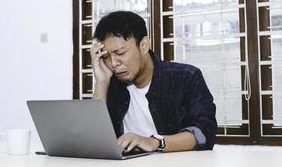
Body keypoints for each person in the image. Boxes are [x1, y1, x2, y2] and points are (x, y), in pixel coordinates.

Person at [90, 11, 217, 153]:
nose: (113, 63)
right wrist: (101, 82)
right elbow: (94, 141)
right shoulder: (112, 84)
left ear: (144, 45)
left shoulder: (186, 78)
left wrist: (154, 142)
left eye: (120, 53)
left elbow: (204, 134)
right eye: (107, 56)